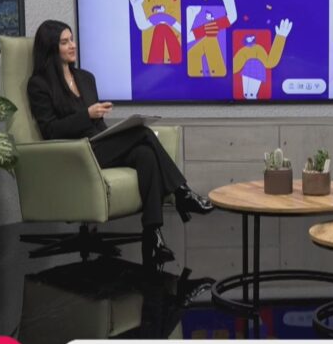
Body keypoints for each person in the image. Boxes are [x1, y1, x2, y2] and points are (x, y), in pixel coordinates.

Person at [27, 20, 215, 268]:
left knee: (145, 154)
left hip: (99, 143)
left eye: (72, 39)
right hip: (76, 153)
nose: (72, 45)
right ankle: (182, 193)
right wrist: (87, 115)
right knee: (143, 133)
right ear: (51, 48)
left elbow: (97, 125)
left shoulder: (85, 78)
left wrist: (109, 132)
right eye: (65, 42)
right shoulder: (39, 85)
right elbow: (50, 131)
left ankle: (153, 234)